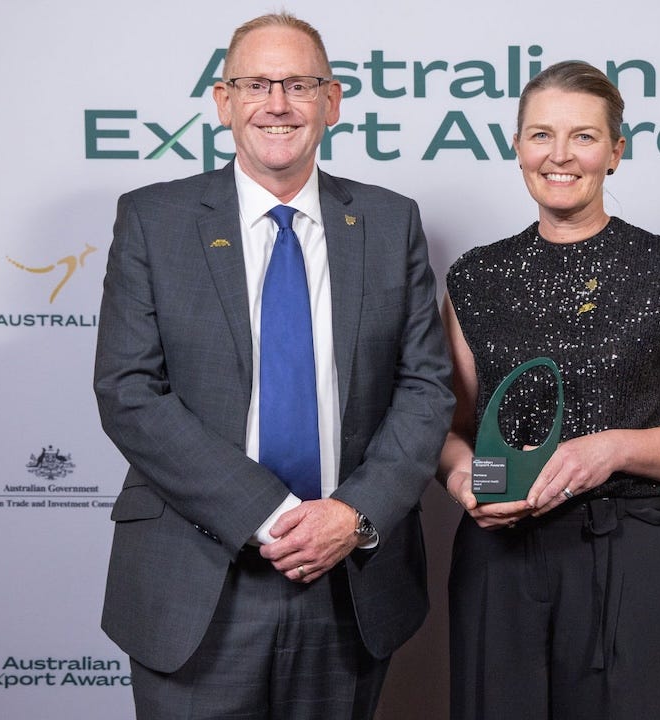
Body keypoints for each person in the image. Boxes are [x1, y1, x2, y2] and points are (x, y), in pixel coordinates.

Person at [93, 12, 454, 720]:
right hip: (197, 583)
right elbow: (129, 391)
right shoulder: (154, 221)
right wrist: (269, 514)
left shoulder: (389, 222)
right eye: (256, 84)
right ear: (224, 101)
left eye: (299, 84)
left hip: (346, 581)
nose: (278, 103)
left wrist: (350, 515)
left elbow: (425, 387)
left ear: (333, 100)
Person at [438, 60, 660, 719]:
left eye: (583, 136)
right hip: (500, 554)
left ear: (615, 151)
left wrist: (610, 449)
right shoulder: (475, 276)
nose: (560, 155)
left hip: (625, 553)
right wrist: (466, 480)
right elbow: (451, 424)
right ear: (517, 146)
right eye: (541, 135)